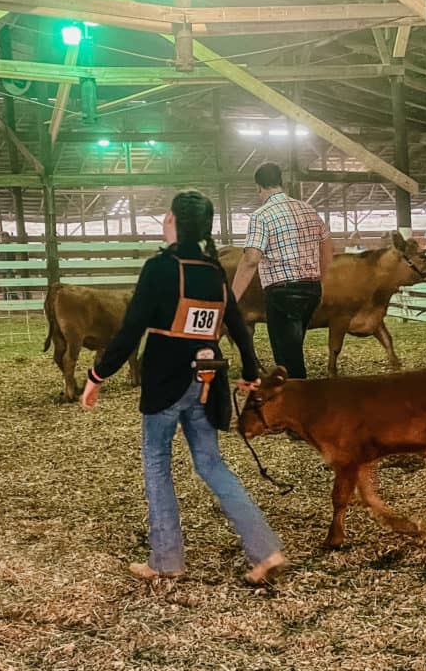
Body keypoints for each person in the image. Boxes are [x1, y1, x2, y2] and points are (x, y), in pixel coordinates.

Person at [80, 190, 286, 585]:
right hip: (208, 381)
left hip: (164, 379)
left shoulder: (159, 268)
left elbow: (129, 331)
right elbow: (238, 324)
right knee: (212, 464)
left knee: (157, 464)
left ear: (172, 220)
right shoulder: (213, 271)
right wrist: (249, 368)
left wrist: (97, 375)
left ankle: (167, 558)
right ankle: (264, 549)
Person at [231, 162, 333, 379]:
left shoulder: (261, 216)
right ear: (281, 182)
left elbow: (251, 260)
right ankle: (297, 397)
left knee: (288, 360)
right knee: (293, 347)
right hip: (311, 290)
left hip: (283, 294)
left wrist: (232, 299)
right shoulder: (308, 209)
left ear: (259, 187)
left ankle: (300, 403)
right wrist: (321, 280)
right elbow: (327, 247)